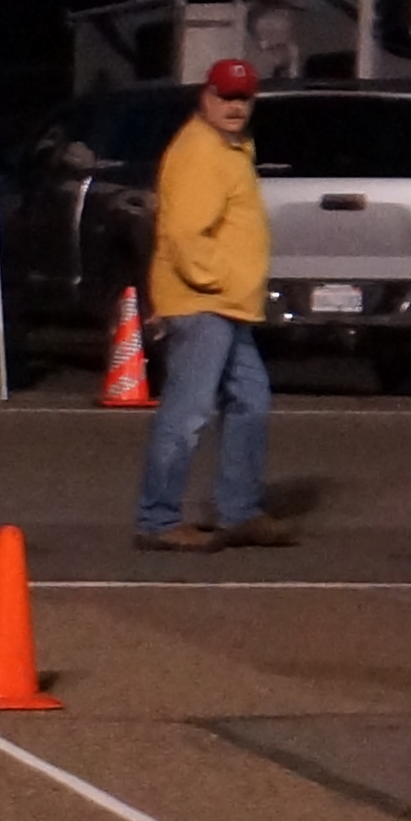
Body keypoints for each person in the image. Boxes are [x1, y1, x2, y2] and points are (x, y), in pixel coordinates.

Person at [142, 56, 279, 550]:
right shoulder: (200, 151)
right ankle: (158, 520)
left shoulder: (230, 147)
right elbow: (183, 233)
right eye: (225, 96)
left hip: (227, 303)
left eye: (243, 97)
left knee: (251, 400)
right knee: (189, 412)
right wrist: (218, 280)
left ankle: (239, 510)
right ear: (206, 96)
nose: (235, 106)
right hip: (203, 302)